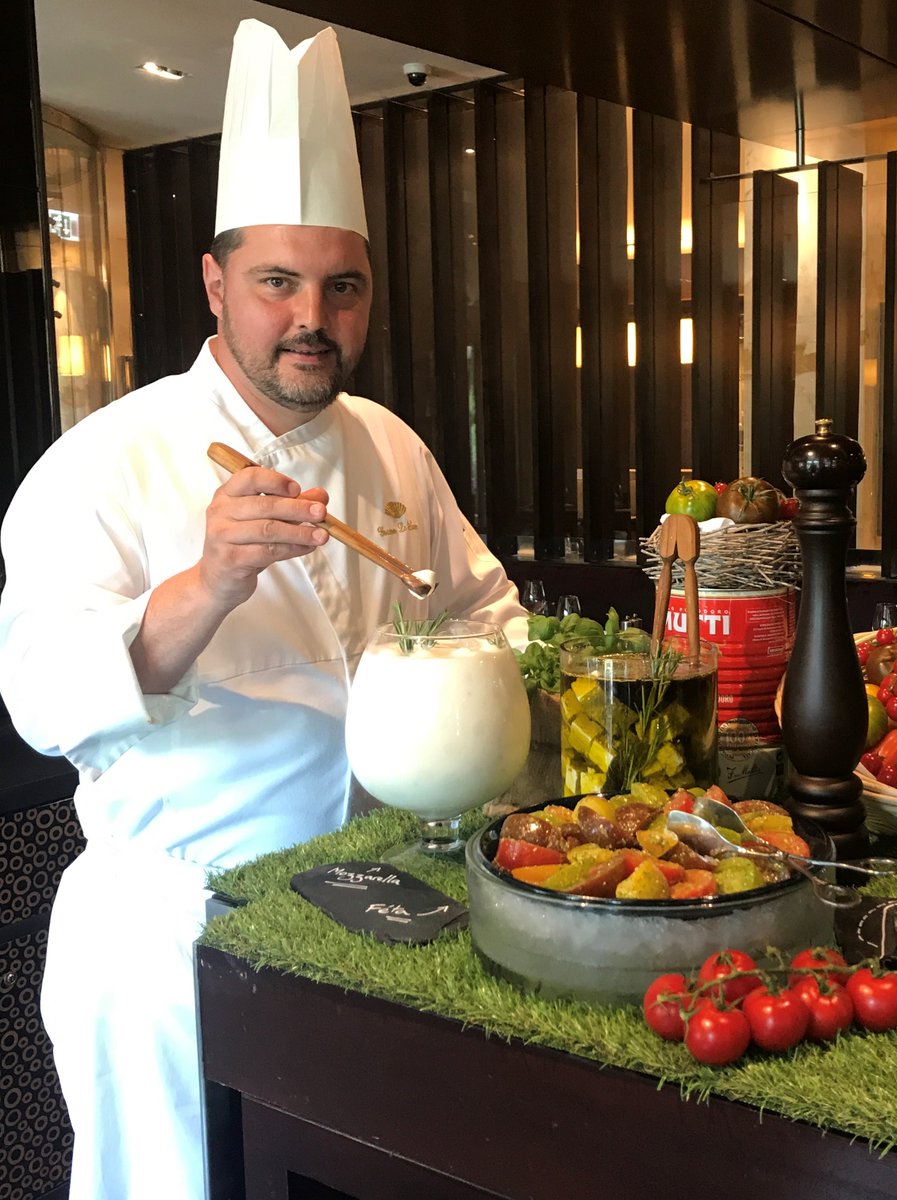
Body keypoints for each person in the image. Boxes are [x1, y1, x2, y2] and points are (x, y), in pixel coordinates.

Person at [0, 19, 525, 1200]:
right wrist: (204, 587)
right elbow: (40, 702)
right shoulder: (101, 461)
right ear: (214, 283)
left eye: (341, 288)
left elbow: (486, 609)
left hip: (386, 909)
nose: (311, 318)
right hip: (179, 929)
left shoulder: (391, 443)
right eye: (277, 282)